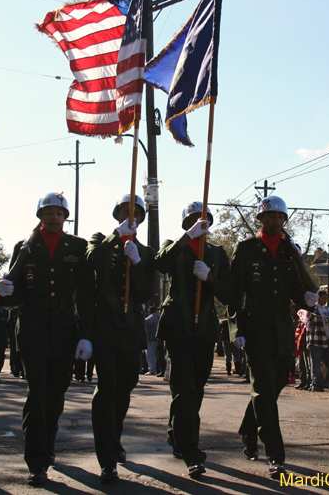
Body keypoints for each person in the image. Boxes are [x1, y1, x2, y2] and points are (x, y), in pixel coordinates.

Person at [0, 192, 94, 486]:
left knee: (55, 395)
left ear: (65, 217)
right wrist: (3, 293)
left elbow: (86, 294)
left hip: (65, 327)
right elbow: (14, 295)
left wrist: (86, 334)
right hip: (33, 326)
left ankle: (47, 446)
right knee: (37, 394)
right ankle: (37, 460)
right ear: (40, 216)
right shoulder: (25, 246)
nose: (54, 218)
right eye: (49, 213)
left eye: (59, 213)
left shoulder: (78, 246)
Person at [229, 195, 316, 479]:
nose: (276, 221)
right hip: (255, 326)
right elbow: (234, 294)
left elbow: (298, 293)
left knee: (275, 385)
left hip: (281, 327)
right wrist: (236, 330)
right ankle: (275, 455)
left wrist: (308, 295)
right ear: (260, 219)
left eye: (280, 217)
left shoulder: (291, 251)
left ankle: (247, 429)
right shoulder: (247, 249)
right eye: (271, 217)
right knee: (264, 389)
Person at [155, 201, 232, 478]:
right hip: (178, 327)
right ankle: (191, 450)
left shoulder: (217, 253)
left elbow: (230, 293)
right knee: (184, 387)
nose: (199, 226)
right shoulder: (174, 246)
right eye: (192, 221)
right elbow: (160, 264)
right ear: (185, 224)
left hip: (205, 330)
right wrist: (187, 238)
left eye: (204, 221)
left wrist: (210, 277)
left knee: (195, 388)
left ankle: (177, 433)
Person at [86, 194, 155, 483]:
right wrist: (117, 237)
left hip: (130, 328)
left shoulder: (146, 251)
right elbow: (92, 260)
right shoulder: (100, 239)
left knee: (125, 388)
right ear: (117, 214)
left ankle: (114, 439)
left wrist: (137, 262)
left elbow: (145, 294)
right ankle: (107, 457)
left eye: (136, 212)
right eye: (125, 211)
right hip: (103, 326)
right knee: (107, 389)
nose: (131, 216)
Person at [305, 290, 329, 392]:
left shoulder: (327, 309)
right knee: (316, 364)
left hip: (328, 339)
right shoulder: (313, 309)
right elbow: (308, 323)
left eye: (326, 299)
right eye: (323, 298)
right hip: (317, 340)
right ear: (318, 298)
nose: (325, 301)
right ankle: (316, 384)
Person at [145, 307, 161, 376]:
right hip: (156, 338)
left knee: (150, 355)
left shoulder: (153, 316)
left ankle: (152, 370)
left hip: (151, 338)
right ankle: (155, 369)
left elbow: (146, 322)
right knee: (155, 355)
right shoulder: (159, 316)